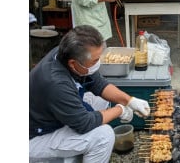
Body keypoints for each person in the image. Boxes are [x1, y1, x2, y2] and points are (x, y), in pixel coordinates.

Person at [29, 25, 151, 162]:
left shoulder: (66, 53)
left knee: (100, 100)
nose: (98, 63)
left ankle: (84, 152)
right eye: (95, 60)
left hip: (53, 115)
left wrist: (130, 101)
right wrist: (119, 110)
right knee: (104, 135)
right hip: (36, 137)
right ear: (73, 64)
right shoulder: (56, 83)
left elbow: (98, 83)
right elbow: (84, 123)